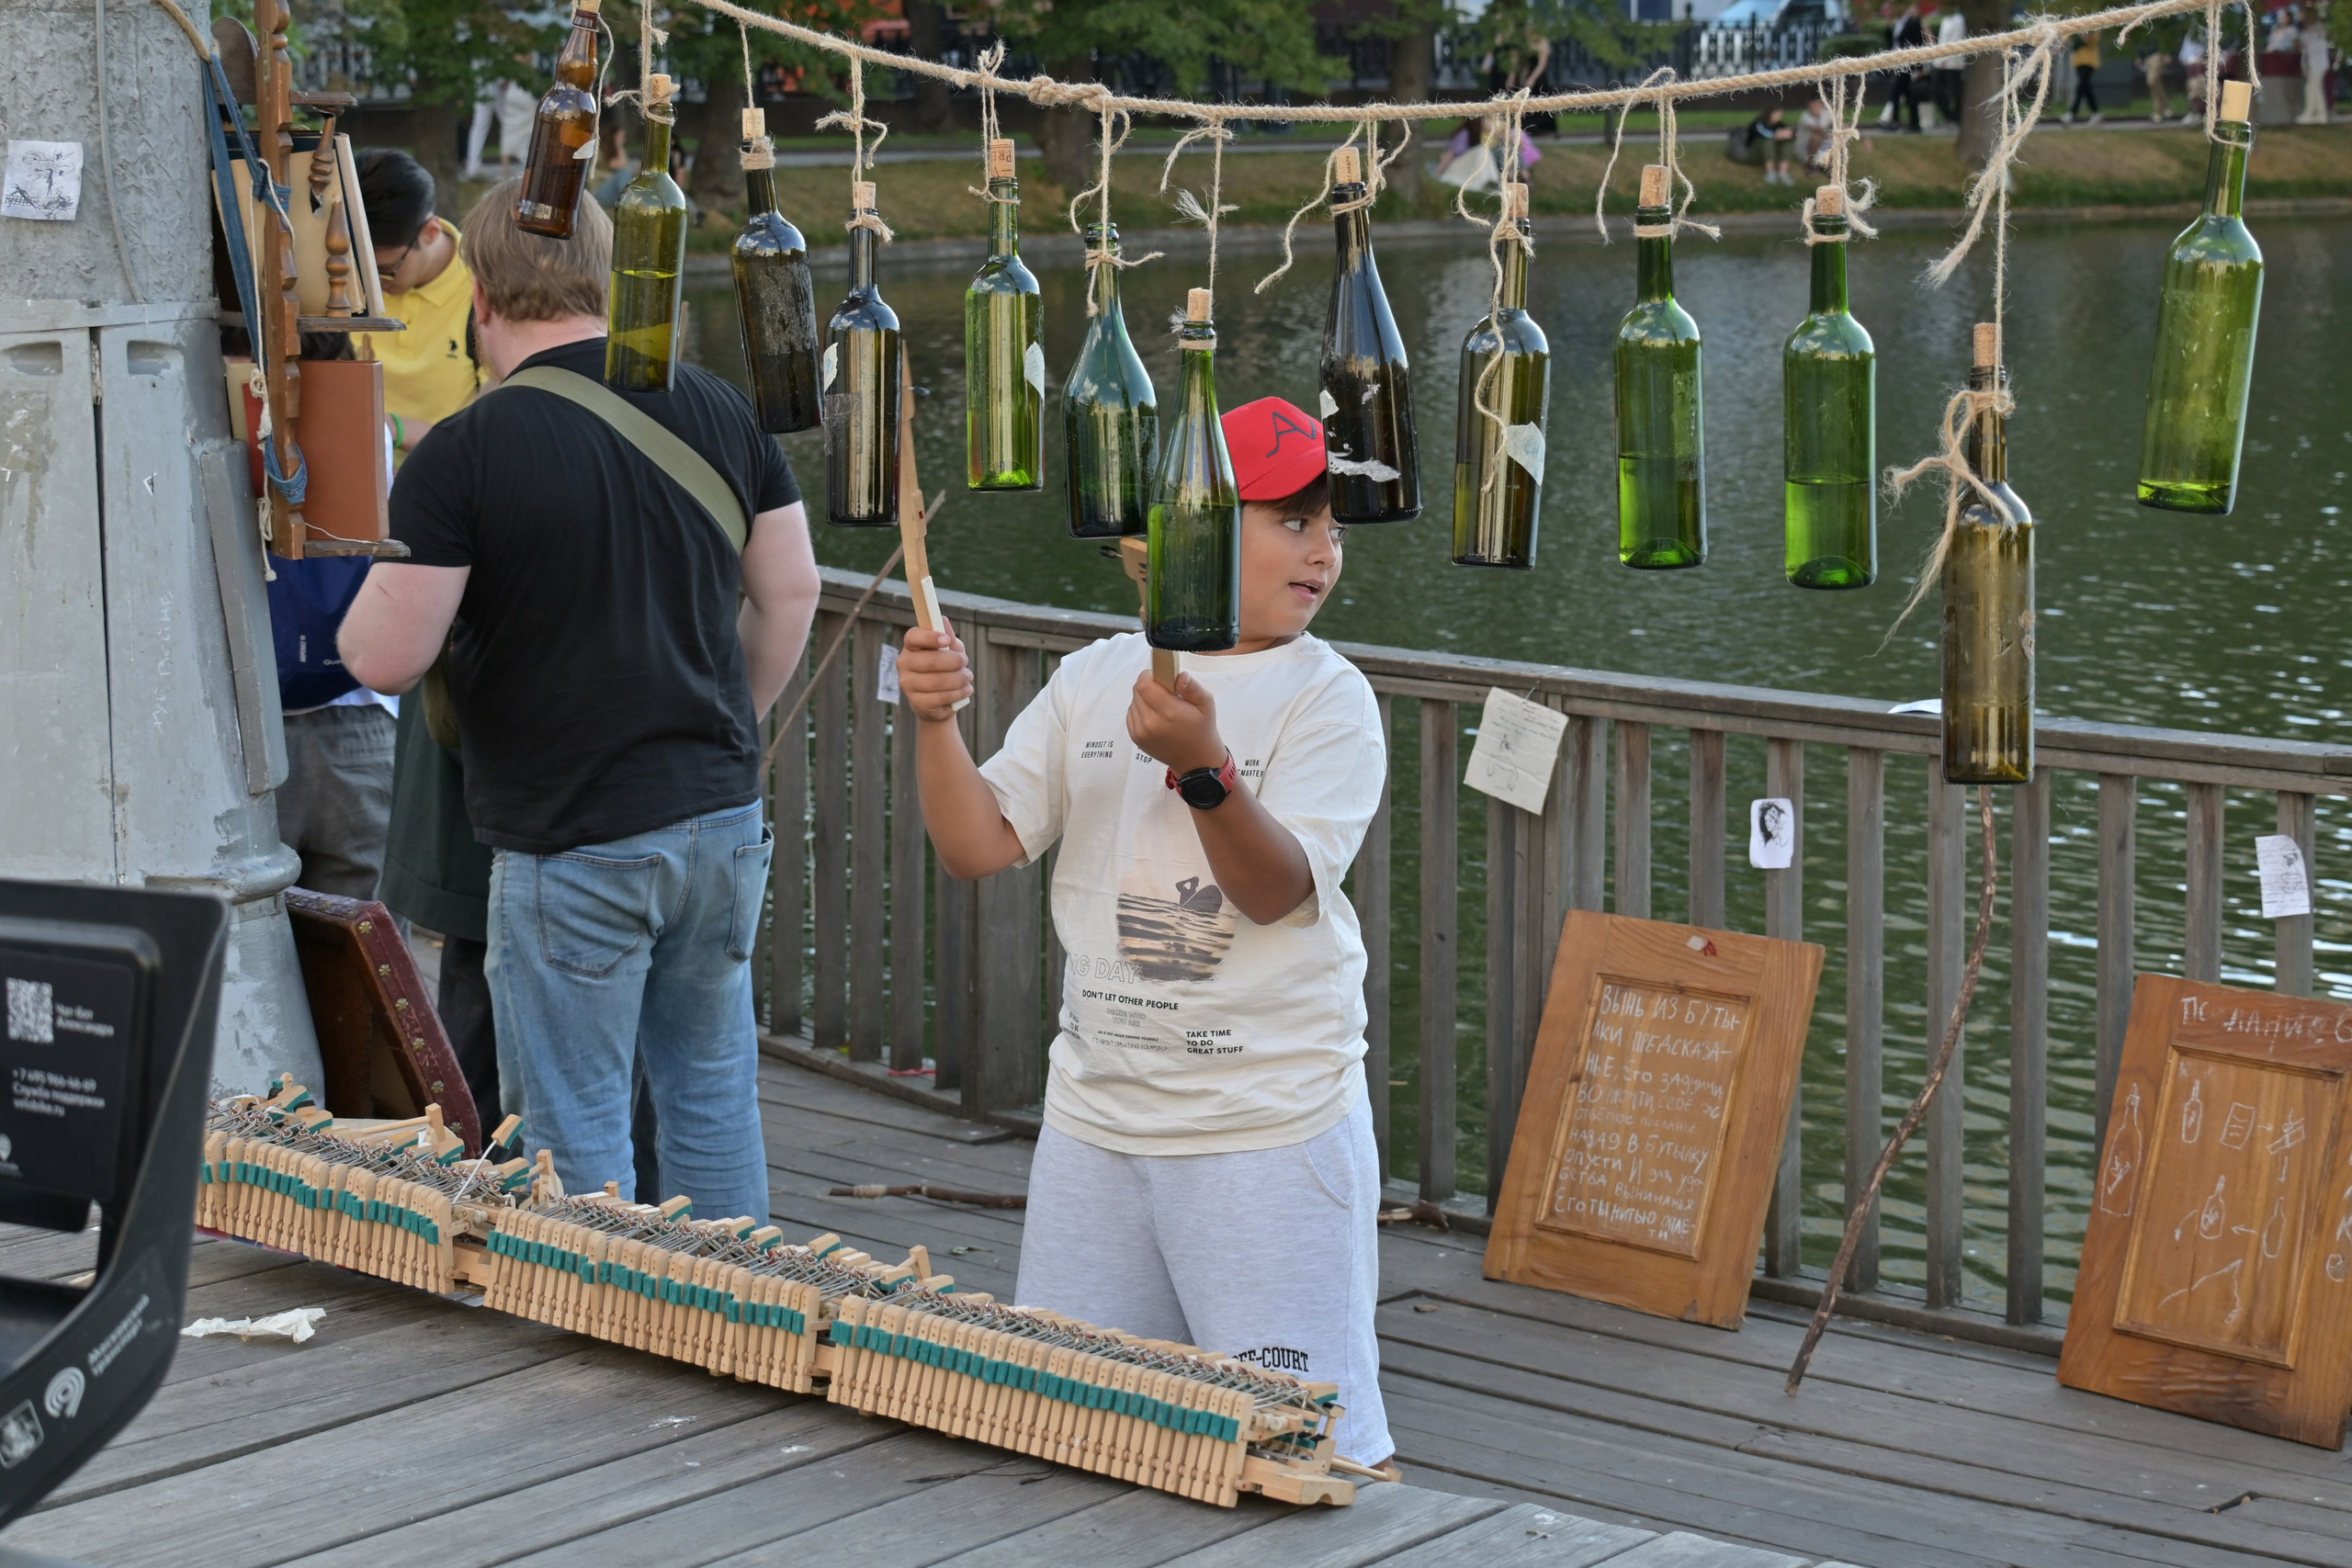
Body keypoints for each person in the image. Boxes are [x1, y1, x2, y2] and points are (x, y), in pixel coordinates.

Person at [896, 395, 1393, 1472]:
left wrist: (1207, 770)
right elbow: (978, 845)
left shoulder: (1330, 699)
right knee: (1077, 1432)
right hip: (1095, 1122)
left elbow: (1272, 891)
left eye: (1332, 527)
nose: (1323, 551)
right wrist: (934, 722)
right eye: (1292, 520)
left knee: (1312, 1452)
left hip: (1265, 1126)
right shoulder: (1091, 677)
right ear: (1193, 529)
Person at [338, 178, 823, 1219]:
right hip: (722, 818)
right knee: (711, 1097)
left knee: (575, 1125)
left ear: (481, 297)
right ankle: (735, 1314)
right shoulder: (716, 405)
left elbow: (383, 658)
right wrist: (726, 722)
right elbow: (791, 591)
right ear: (614, 277)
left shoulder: (464, 449)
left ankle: (606, 1350)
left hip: (572, 836)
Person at [354, 148, 503, 1122]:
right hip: (369, 543)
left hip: (456, 540)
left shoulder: (480, 297)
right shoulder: (345, 285)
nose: (373, 285)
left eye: (385, 264)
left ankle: (469, 1124)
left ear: (425, 242)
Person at [355, 149, 484, 463]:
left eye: (384, 269)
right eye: (359, 266)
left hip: (445, 485)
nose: (370, 283)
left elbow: (491, 434)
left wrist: (394, 428)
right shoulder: (340, 275)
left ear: (431, 232)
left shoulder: (487, 290)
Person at [1884, 5, 1928, 131]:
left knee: (1897, 92)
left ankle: (1896, 121)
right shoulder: (1900, 22)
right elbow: (1894, 42)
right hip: (1899, 63)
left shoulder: (1913, 22)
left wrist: (1919, 66)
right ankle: (1914, 123)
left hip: (1908, 64)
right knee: (1908, 94)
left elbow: (1918, 43)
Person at [1935, 6, 1969, 127]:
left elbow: (1955, 41)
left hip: (1954, 63)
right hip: (1941, 62)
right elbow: (1942, 41)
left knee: (1955, 92)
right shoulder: (1945, 20)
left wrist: (1946, 59)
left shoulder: (1958, 20)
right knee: (1938, 90)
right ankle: (1949, 116)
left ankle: (1956, 118)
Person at [1745, 105, 1795, 184]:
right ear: (1770, 114)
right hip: (1754, 154)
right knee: (1767, 141)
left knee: (1787, 142)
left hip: (1773, 154)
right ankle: (1770, 173)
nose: (1779, 118)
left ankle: (1783, 173)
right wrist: (1776, 135)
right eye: (1777, 115)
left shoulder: (1779, 124)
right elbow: (1764, 134)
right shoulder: (1758, 124)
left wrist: (1789, 134)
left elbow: (1790, 134)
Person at [2299, 12, 2333, 123]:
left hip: (2318, 64)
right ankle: (2320, 115)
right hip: (2313, 64)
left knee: (2311, 88)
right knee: (2316, 89)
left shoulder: (2317, 28)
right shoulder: (2309, 29)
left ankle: (2311, 113)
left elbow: (2311, 45)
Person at [2065, 29, 2105, 124]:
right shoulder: (2074, 29)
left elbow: (2088, 40)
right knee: (2085, 88)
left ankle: (2072, 113)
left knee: (2081, 86)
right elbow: (2065, 40)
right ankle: (2096, 113)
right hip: (2078, 62)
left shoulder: (2093, 30)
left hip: (2089, 62)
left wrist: (2082, 33)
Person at [1796, 95, 1838, 169]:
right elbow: (1817, 130)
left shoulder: (1827, 114)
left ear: (1821, 105)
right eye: (1811, 108)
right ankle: (1811, 164)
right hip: (1806, 146)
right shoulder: (1805, 116)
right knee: (1817, 137)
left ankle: (1828, 166)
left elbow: (1840, 124)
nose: (1814, 110)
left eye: (1816, 107)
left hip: (1823, 142)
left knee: (1836, 139)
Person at [2141, 39, 2175, 120]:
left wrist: (2168, 52)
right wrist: (2140, 55)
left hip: (2157, 54)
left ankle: (2162, 108)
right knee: (2155, 85)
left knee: (2152, 81)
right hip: (2147, 56)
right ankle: (2162, 108)